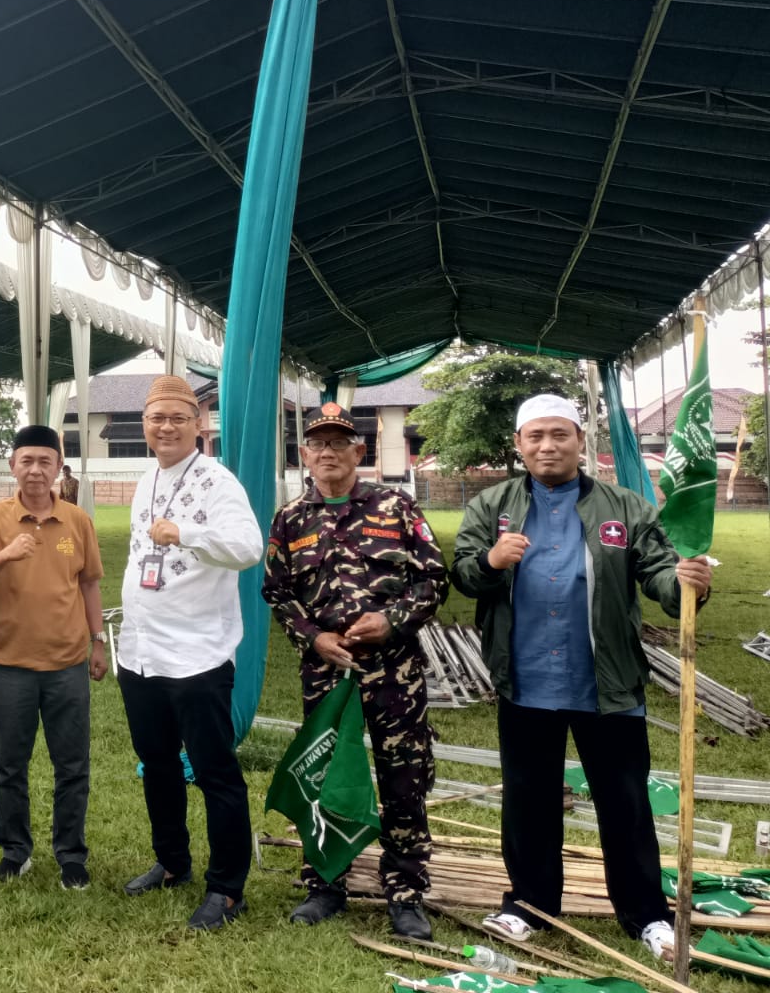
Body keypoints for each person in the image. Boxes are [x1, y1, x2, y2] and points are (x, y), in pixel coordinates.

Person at [451, 394, 713, 960]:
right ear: (519, 445)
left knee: (624, 802)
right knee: (529, 800)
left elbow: (660, 573)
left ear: (580, 441)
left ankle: (647, 915)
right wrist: (492, 563)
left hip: (608, 684)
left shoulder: (625, 506)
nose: (548, 445)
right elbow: (465, 574)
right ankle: (528, 905)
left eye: (560, 434)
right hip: (525, 684)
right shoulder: (493, 505)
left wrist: (686, 583)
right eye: (536, 436)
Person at [262, 402, 449, 941]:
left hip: (394, 673)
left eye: (339, 443)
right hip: (327, 673)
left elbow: (433, 579)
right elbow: (277, 591)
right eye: (318, 444)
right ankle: (325, 883)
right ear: (305, 455)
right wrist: (314, 636)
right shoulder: (291, 518)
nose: (328, 452)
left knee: (403, 779)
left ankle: (406, 894)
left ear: (358, 452)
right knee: (324, 775)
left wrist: (392, 621)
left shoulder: (396, 506)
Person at [116, 375, 264, 931]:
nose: (167, 427)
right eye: (157, 418)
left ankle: (227, 889)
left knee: (214, 772)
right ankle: (172, 862)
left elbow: (249, 548)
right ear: (146, 425)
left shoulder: (217, 482)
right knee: (157, 766)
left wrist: (187, 533)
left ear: (199, 425)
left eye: (179, 417)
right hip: (142, 654)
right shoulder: (145, 478)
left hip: (198, 657)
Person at [0, 425, 106, 889]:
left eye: (46, 461)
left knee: (72, 765)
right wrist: (6, 554)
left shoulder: (77, 521)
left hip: (67, 664)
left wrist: (98, 641)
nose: (36, 470)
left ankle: (71, 855)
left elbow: (89, 584)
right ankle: (15, 850)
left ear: (59, 467)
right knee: (10, 765)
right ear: (13, 466)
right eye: (27, 461)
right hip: (10, 666)